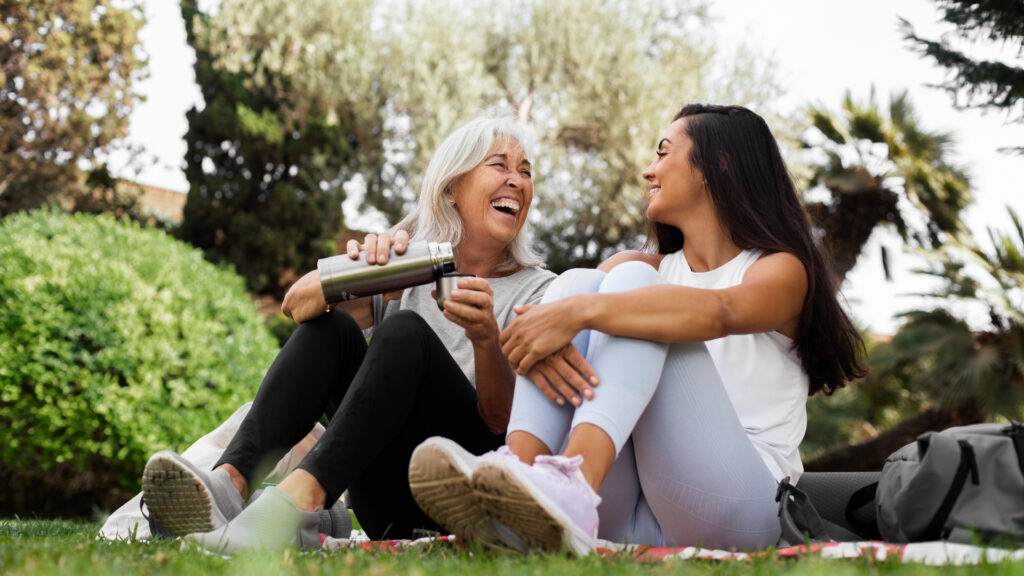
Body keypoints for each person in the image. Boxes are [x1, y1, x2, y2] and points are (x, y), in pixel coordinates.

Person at [410, 104, 866, 555]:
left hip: (744, 509)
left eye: (664, 153)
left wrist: (581, 315)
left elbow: (720, 311)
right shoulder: (640, 265)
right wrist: (567, 313)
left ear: (718, 165)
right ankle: (516, 481)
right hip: (629, 514)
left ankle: (573, 482)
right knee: (578, 282)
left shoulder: (780, 270)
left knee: (626, 290)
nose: (649, 171)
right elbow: (576, 304)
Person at [139, 116, 555, 553]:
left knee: (403, 333)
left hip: (465, 496)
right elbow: (295, 306)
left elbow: (510, 428)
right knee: (333, 325)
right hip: (385, 498)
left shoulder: (541, 290)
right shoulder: (409, 263)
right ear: (451, 187)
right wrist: (362, 276)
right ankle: (228, 487)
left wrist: (487, 339)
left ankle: (292, 508)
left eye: (525, 171)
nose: (516, 181)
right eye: (500, 165)